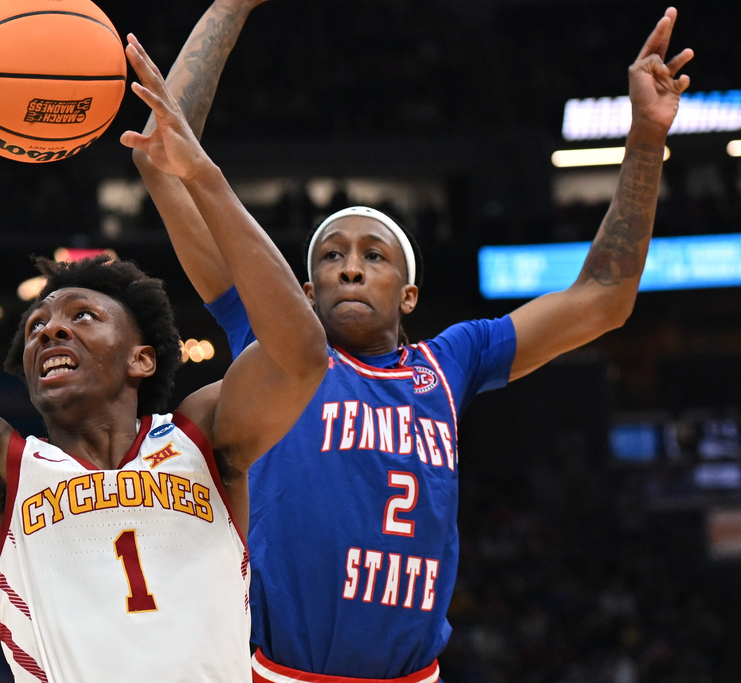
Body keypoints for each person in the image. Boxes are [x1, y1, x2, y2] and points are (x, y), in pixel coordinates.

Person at [133, 5, 693, 681]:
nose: (349, 264)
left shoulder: (450, 360)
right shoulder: (277, 349)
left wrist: (646, 136)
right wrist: (230, 6)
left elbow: (604, 297)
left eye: (375, 254)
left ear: (409, 295)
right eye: (331, 255)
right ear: (302, 295)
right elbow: (163, 162)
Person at [0, 16, 327, 682]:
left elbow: (301, 355)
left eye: (83, 314)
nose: (49, 330)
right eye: (37, 324)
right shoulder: (0, 475)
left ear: (143, 358)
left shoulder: (206, 440)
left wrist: (202, 176)